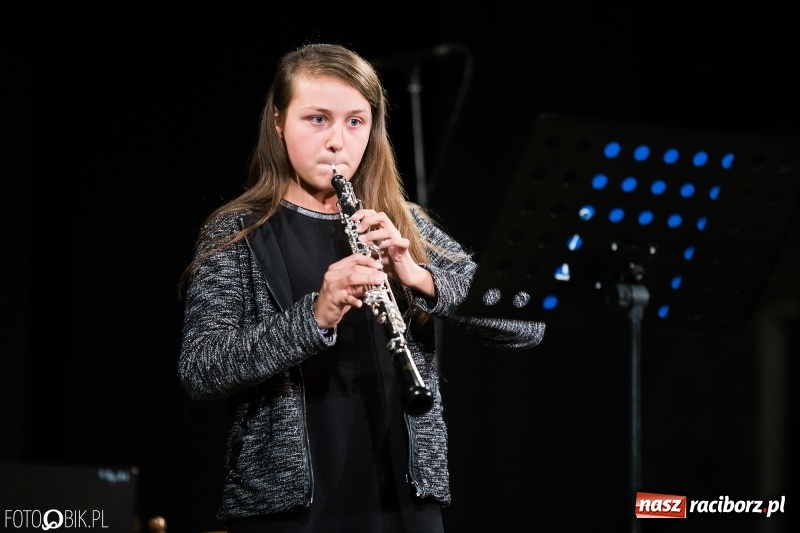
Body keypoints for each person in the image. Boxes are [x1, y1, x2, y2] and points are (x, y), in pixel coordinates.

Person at [178, 42, 545, 533]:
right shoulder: (238, 232)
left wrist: (419, 277)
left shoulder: (403, 225)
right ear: (278, 122)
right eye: (317, 119)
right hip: (287, 510)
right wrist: (314, 317)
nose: (338, 142)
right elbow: (202, 368)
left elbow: (527, 321)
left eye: (356, 121)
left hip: (405, 501)